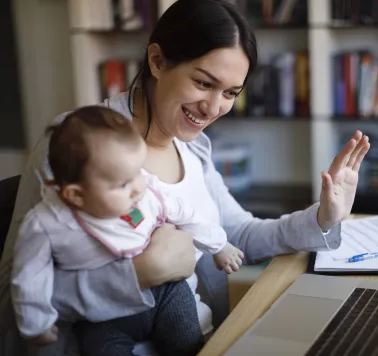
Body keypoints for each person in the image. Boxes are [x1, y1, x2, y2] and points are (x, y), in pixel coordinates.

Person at [0, 0, 370, 355]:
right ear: (158, 60)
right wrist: (140, 274)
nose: (213, 107)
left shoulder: (194, 147)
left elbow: (237, 234)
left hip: (200, 337)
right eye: (203, 83)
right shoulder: (75, 142)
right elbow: (11, 296)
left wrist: (324, 217)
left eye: (230, 92)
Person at [10, 105, 244, 356]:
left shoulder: (144, 189)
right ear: (76, 195)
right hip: (102, 315)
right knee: (101, 349)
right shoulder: (47, 223)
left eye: (138, 172)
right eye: (123, 184)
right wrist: (36, 323)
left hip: (163, 292)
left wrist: (219, 245)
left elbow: (187, 214)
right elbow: (29, 276)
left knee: (186, 337)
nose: (138, 188)